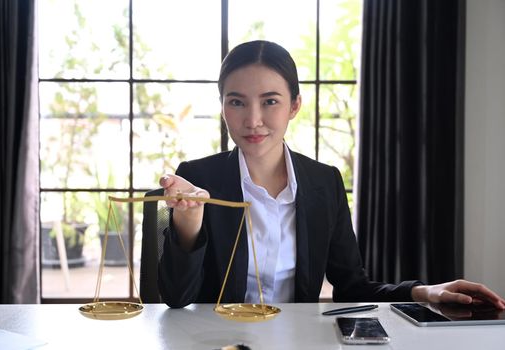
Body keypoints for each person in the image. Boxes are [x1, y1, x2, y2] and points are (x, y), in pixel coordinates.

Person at [157, 40, 505, 309]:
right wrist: (189, 224)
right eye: (236, 102)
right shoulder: (198, 178)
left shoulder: (324, 182)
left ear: (294, 105)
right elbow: (176, 298)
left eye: (270, 101)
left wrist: (424, 291)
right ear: (222, 108)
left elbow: (352, 287)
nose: (253, 119)